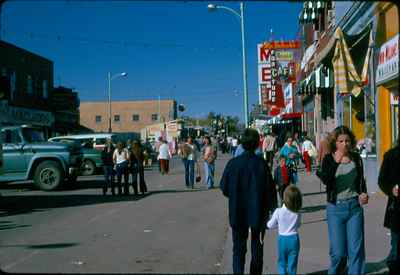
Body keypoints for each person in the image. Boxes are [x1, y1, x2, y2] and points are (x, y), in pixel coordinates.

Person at [220, 128, 277, 275]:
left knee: (238, 250)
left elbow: (224, 188)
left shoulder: (233, 164)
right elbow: (270, 190)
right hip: (257, 213)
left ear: (242, 143)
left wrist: (236, 196)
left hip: (237, 212)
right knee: (257, 249)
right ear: (258, 143)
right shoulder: (261, 164)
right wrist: (273, 209)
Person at [317, 125, 368, 275]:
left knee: (356, 250)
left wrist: (363, 194)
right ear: (335, 143)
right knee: (338, 253)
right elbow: (325, 179)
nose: (345, 144)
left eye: (347, 141)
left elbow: (361, 183)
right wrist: (336, 162)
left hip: (354, 208)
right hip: (335, 208)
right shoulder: (329, 159)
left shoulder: (357, 159)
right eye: (341, 141)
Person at [267, 185, 302, 275]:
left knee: (282, 263)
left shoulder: (278, 211)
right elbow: (298, 225)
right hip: (294, 239)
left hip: (282, 239)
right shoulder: (297, 212)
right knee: (292, 264)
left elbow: (270, 225)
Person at [378, 138, 400, 275]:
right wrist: (391, 190)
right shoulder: (392, 156)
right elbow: (382, 180)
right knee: (397, 246)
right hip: (397, 208)